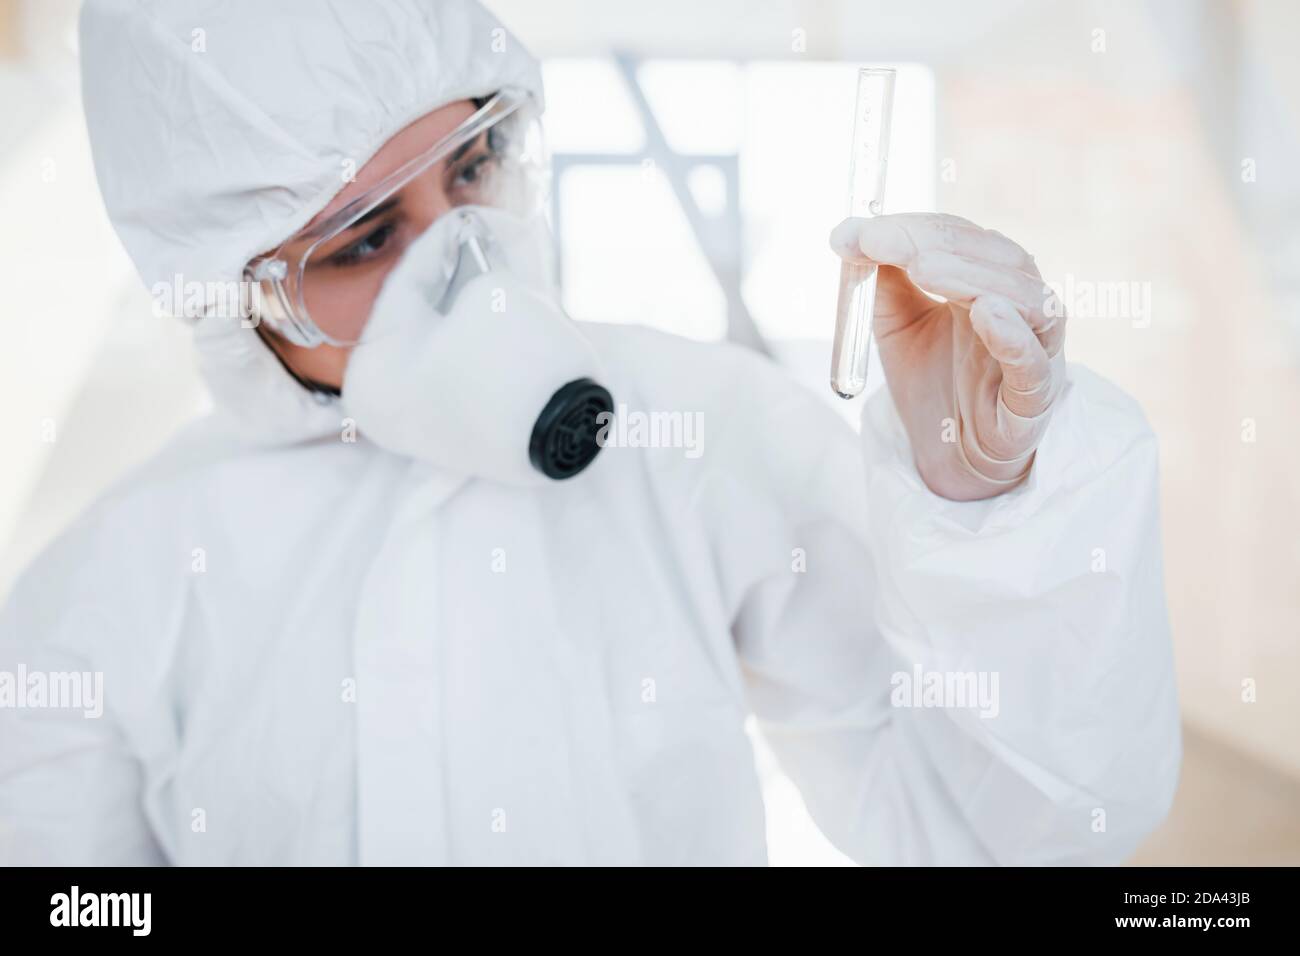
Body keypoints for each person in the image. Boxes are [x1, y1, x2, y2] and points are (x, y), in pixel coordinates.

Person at [0, 0, 1179, 865]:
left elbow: (996, 833)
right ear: (228, 294)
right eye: (361, 239)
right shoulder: (119, 582)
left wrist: (988, 509)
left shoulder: (700, 436)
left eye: (474, 165)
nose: (462, 261)